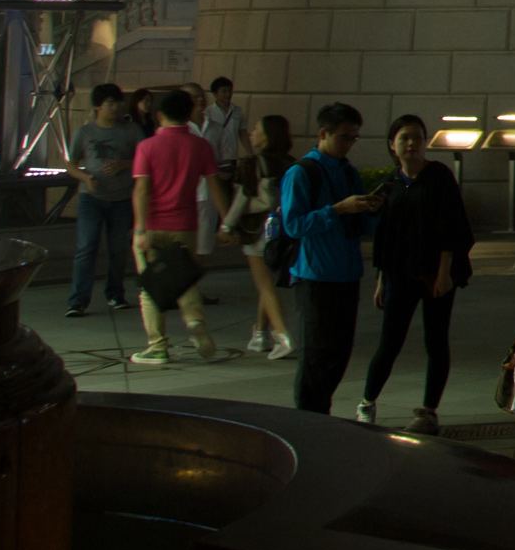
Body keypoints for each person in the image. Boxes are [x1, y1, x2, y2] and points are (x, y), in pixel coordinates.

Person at [358, 114, 472, 430]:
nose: (411, 143)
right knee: (389, 342)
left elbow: (452, 225)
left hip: (435, 274)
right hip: (400, 274)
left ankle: (429, 410)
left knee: (435, 341)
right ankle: (367, 402)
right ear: (392, 145)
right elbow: (386, 236)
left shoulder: (439, 176)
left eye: (417, 137)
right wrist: (381, 280)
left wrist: (445, 271)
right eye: (404, 138)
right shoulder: (392, 184)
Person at [277, 103, 379, 415]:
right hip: (315, 276)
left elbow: (361, 225)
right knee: (315, 356)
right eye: (345, 137)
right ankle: (310, 420)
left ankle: (321, 415)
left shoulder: (348, 172)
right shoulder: (301, 173)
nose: (349, 144)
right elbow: (293, 225)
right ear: (324, 134)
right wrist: (337, 210)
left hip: (347, 274)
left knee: (339, 353)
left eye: (354, 138)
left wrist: (371, 210)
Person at [130, 86, 226, 363]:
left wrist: (139, 229)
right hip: (185, 224)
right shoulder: (200, 146)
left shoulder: (146, 147)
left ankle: (157, 346)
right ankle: (195, 320)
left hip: (152, 225)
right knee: (184, 279)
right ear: (189, 115)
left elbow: (142, 190)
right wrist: (226, 224)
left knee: (151, 286)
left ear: (160, 116)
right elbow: (215, 185)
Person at [64, 82, 140, 318]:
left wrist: (123, 164)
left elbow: (144, 160)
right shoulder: (85, 132)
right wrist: (86, 177)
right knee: (86, 248)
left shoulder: (130, 130)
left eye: (118, 103)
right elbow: (70, 164)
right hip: (91, 198)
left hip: (121, 198)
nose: (115, 108)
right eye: (109, 104)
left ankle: (115, 294)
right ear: (98, 106)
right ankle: (78, 301)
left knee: (117, 249)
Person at [227, 114, 298, 359]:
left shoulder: (253, 163)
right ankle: (260, 334)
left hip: (259, 231)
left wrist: (227, 226)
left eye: (256, 128)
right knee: (267, 282)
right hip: (286, 230)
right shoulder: (291, 163)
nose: (251, 133)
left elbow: (243, 200)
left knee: (264, 284)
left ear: (267, 136)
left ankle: (283, 336)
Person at [199, 76, 248, 165]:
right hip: (214, 156)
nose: (228, 94)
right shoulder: (208, 113)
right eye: (224, 91)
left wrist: (250, 153)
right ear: (215, 93)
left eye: (230, 91)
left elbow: (243, 133)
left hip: (232, 156)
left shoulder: (237, 111)